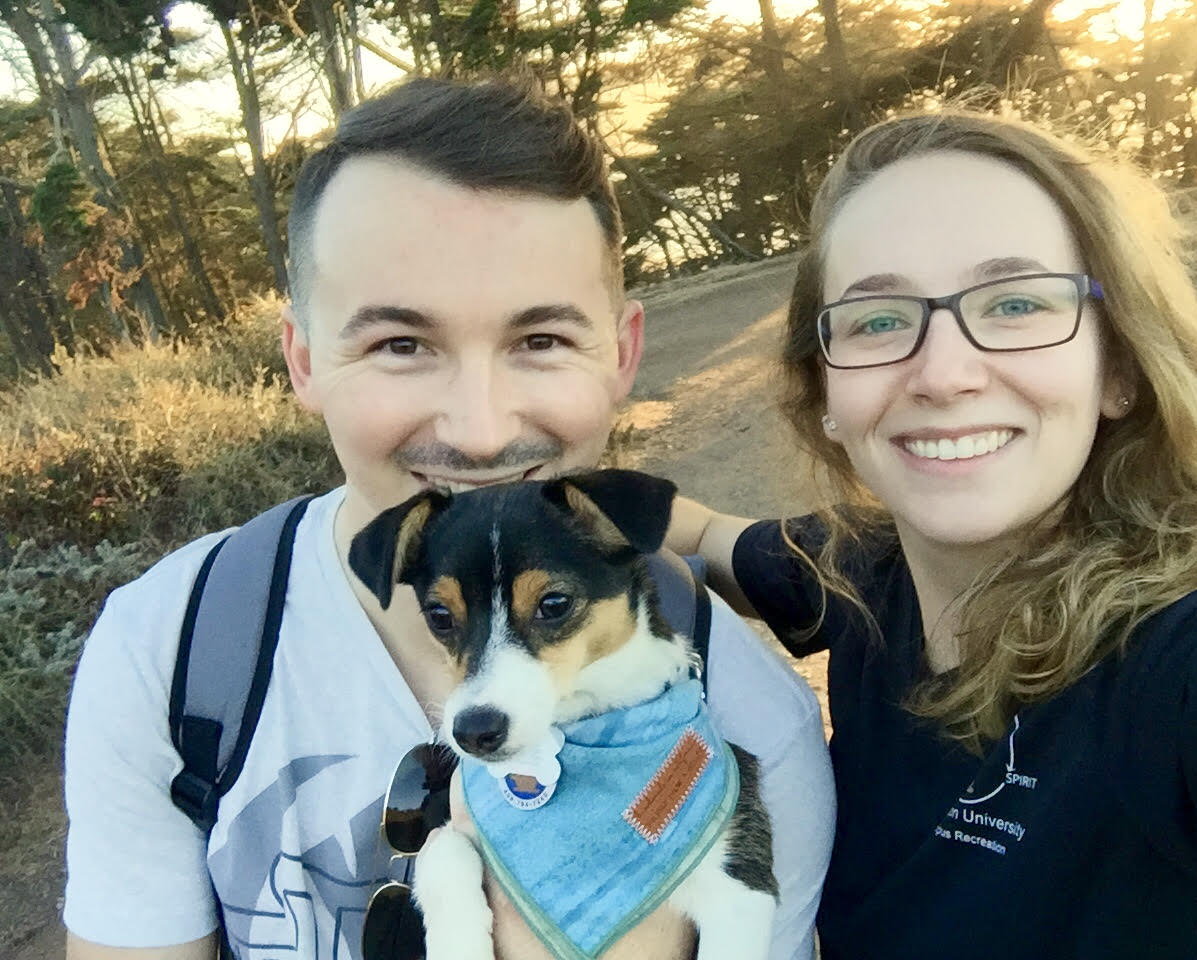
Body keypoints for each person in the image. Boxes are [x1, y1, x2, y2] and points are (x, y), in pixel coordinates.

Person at [61, 77, 835, 960]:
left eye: (540, 340)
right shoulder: (174, 651)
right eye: (401, 345)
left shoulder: (747, 731)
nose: (481, 431)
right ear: (304, 360)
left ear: (619, 354)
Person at [665, 111, 1197, 958]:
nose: (945, 374)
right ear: (826, 397)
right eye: (878, 320)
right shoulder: (862, 575)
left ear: (1120, 370)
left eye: (1017, 303)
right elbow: (695, 531)